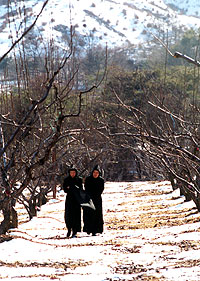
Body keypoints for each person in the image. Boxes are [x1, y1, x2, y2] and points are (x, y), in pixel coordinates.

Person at [83, 165, 104, 236]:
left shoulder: (101, 180)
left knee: (97, 214)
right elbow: (86, 188)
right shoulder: (88, 179)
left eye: (97, 173)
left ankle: (97, 230)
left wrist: (95, 194)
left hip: (97, 199)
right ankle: (89, 229)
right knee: (89, 214)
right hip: (89, 198)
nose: (95, 174)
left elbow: (101, 189)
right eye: (94, 172)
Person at [63, 165, 83, 238]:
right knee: (68, 215)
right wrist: (71, 188)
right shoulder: (66, 180)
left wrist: (72, 188)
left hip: (77, 199)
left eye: (74, 172)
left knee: (76, 215)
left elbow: (80, 189)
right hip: (69, 199)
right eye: (71, 172)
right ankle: (69, 229)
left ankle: (75, 231)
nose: (73, 174)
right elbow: (65, 189)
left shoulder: (79, 180)